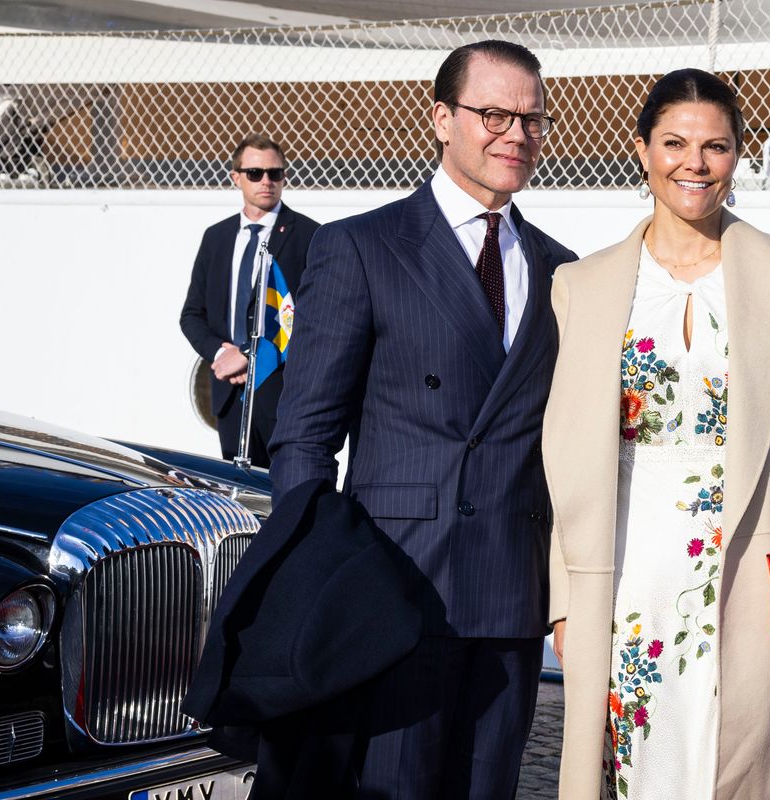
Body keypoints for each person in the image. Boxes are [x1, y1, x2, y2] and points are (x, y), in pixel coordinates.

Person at [543, 69, 770, 799]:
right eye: (675, 143)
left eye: (715, 146)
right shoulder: (583, 285)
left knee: (738, 758)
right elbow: (561, 456)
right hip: (623, 568)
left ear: (737, 156)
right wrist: (563, 598)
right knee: (629, 758)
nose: (694, 163)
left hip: (750, 558)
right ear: (642, 150)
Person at [267, 40, 576, 798]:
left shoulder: (563, 269)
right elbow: (306, 434)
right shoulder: (360, 247)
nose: (516, 135)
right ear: (442, 118)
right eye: (494, 114)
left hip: (508, 595)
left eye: (532, 119)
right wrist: (318, 576)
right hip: (395, 588)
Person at [179, 134, 319, 468]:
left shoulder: (310, 236)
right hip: (230, 393)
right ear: (236, 177)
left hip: (282, 393)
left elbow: (313, 318)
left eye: (276, 173)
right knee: (237, 497)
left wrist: (248, 356)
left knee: (282, 494)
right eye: (255, 173)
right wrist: (223, 354)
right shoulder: (217, 237)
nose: (267, 181)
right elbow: (192, 315)